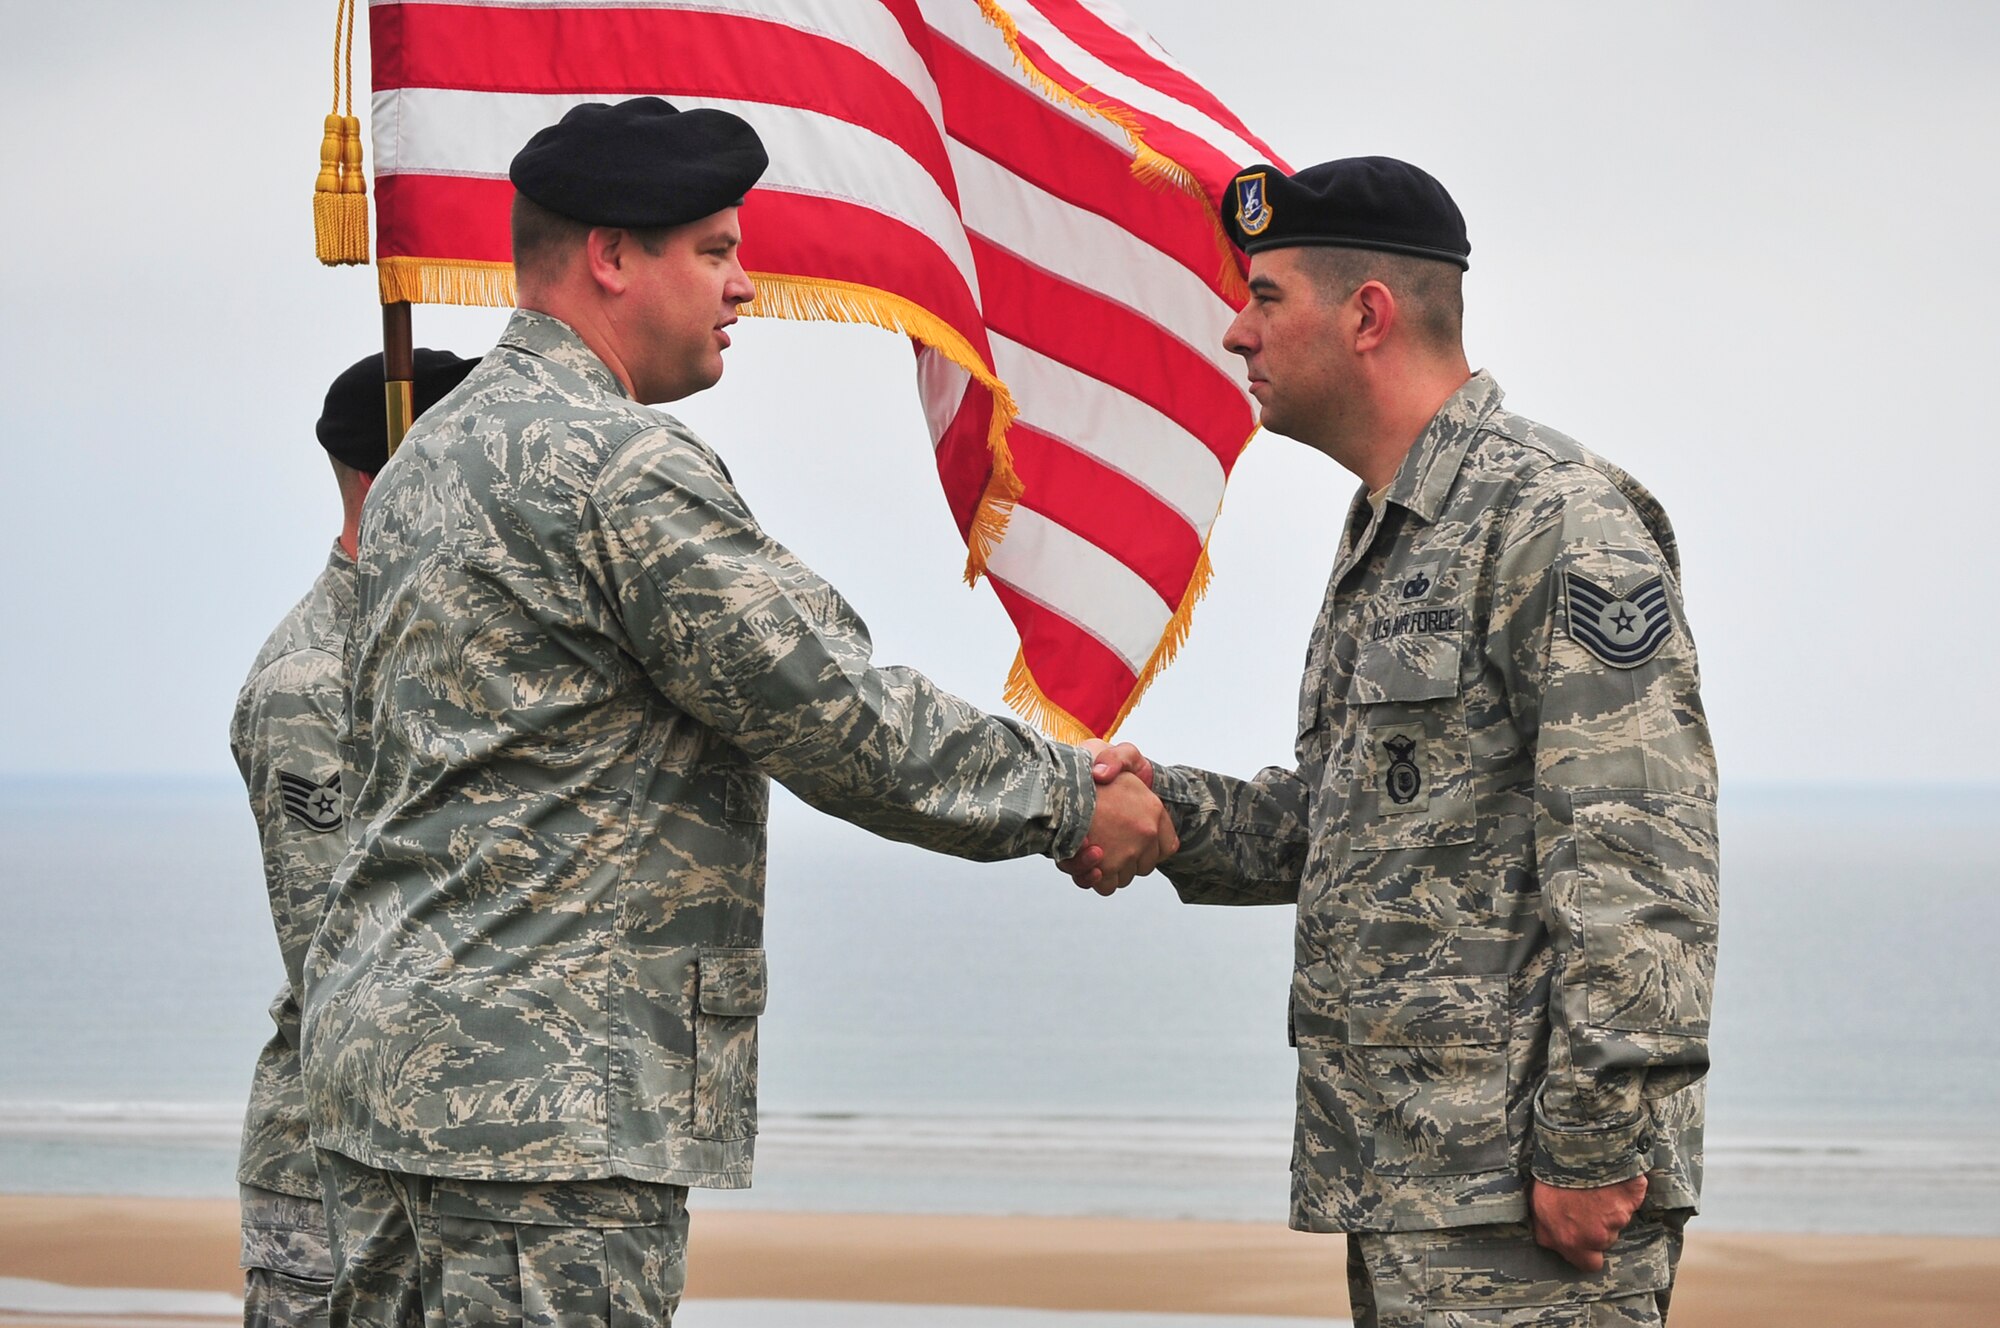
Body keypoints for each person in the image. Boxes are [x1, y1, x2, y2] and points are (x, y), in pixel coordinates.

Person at [299, 97, 1176, 1328]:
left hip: (385, 1083)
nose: (744, 286)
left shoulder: (423, 461)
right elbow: (833, 715)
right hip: (539, 1114)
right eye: (715, 250)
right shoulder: (615, 465)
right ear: (612, 255)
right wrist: (1072, 794)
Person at [1067, 157, 1718, 1326]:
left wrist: (1590, 1139)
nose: (1234, 331)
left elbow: (1637, 854)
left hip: (1524, 1198)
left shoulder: (1552, 517)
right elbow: (1347, 821)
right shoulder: (1394, 525)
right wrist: (1167, 811)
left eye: (1264, 298)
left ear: (1365, 315)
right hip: (1413, 1183)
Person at [228, 348, 479, 1327]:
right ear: (394, 479)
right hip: (333, 1180)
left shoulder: (442, 650)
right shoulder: (311, 680)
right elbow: (342, 952)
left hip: (446, 1172)